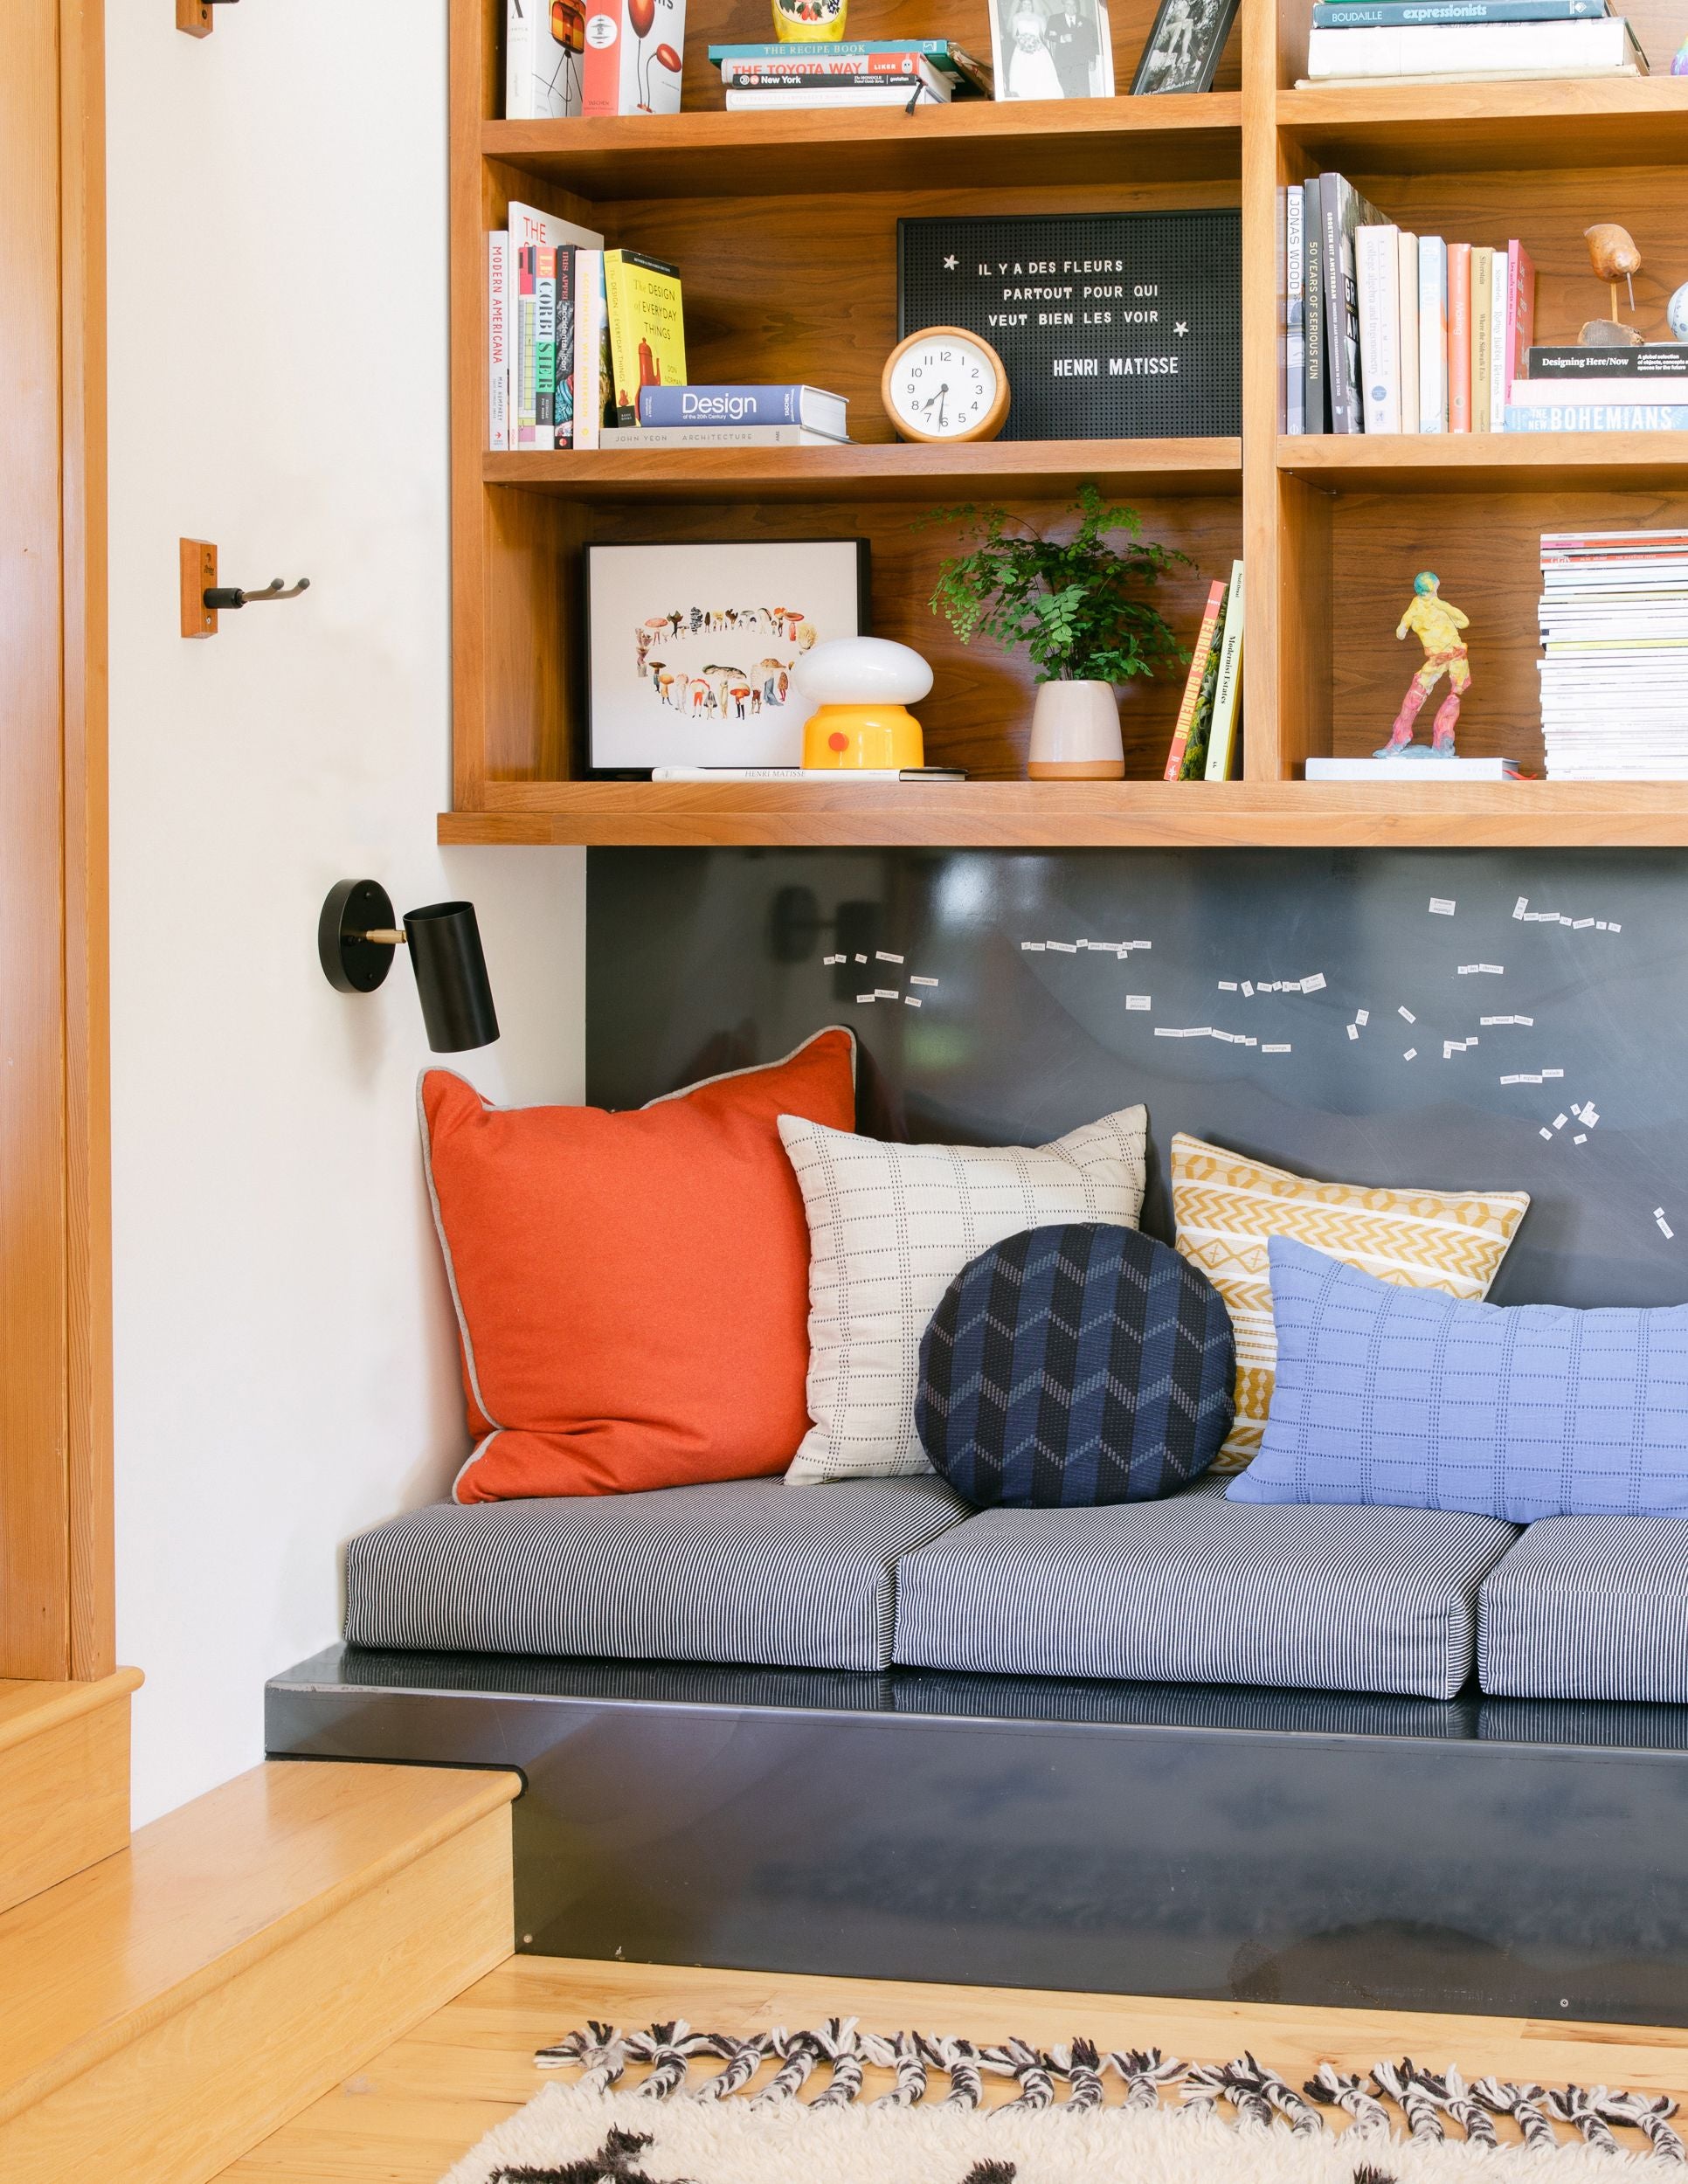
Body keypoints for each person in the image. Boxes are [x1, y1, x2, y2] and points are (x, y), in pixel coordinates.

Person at [1378, 571, 1470, 757]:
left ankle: (1442, 738)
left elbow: (1463, 622)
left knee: (1452, 692)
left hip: (1455, 655)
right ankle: (1401, 736)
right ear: (1433, 589)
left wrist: (1440, 607)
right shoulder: (1420, 608)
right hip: (1441, 657)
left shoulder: (1429, 606)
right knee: (1420, 691)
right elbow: (1401, 632)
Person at [1044, 0, 1101, 95]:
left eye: (1073, 5)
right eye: (1068, 5)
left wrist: (1092, 60)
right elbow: (1047, 35)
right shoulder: (1055, 19)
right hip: (1063, 63)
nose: (1071, 7)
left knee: (1083, 90)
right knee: (1066, 90)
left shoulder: (1085, 22)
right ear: (1063, 6)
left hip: (1081, 63)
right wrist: (1062, 38)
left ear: (1077, 6)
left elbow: (1091, 42)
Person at [1006, 7, 1063, 98]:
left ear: (1032, 4)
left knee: (1041, 73)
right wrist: (1022, 41)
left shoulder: (1039, 17)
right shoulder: (1016, 17)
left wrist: (1038, 43)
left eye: (1029, 3)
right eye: (1025, 3)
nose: (1027, 5)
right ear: (1021, 4)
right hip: (1021, 48)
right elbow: (1013, 35)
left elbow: (1045, 35)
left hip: (1038, 48)